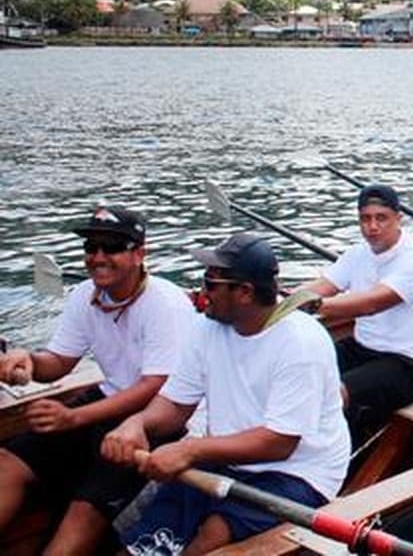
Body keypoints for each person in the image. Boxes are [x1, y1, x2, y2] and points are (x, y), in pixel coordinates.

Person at [104, 233, 349, 555]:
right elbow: (175, 405)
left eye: (211, 283)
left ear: (244, 292)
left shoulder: (301, 342)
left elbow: (278, 443)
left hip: (298, 471)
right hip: (224, 458)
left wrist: (189, 451)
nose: (202, 293)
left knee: (210, 539)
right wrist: (136, 424)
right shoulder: (205, 329)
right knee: (145, 544)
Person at [0, 207, 196, 555]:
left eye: (112, 247)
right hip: (107, 401)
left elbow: (155, 386)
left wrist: (73, 418)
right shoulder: (83, 296)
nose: (98, 257)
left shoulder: (165, 303)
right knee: (9, 462)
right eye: (92, 248)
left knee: (86, 508)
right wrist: (27, 359)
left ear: (139, 253)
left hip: (160, 420)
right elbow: (58, 363)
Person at [298, 184, 413, 444]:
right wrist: (278, 299)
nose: (373, 226)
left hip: (407, 364)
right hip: (362, 348)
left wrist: (311, 305)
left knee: (334, 392)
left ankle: (319, 457)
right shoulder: (357, 253)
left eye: (381, 218)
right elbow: (323, 286)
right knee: (298, 367)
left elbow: (371, 303)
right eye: (365, 219)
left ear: (398, 219)